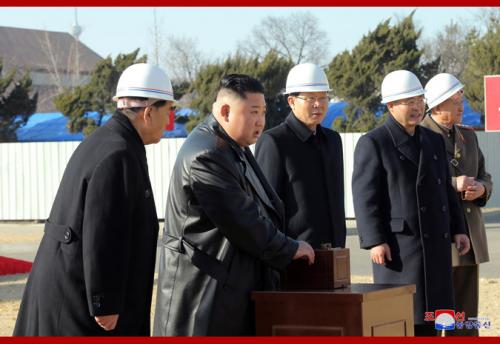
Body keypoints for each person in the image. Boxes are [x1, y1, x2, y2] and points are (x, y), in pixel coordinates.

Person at [13, 63, 175, 336]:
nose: (170, 121)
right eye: (169, 111)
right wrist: (105, 303)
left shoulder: (108, 141)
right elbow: (103, 231)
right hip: (79, 305)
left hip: (69, 291)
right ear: (149, 112)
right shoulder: (118, 153)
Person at [153, 74, 315, 336]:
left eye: (263, 113)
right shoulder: (207, 154)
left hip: (227, 291)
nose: (261, 121)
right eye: (253, 112)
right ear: (226, 111)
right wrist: (290, 248)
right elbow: (244, 222)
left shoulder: (232, 147)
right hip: (202, 297)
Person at [351, 70, 470, 336]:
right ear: (391, 105)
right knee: (402, 318)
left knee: (434, 319)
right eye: (409, 102)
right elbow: (365, 196)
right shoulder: (374, 142)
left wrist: (458, 228)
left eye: (419, 100)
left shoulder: (433, 140)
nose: (417, 107)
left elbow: (446, 190)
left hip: (436, 245)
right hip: (400, 248)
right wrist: (374, 240)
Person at [421, 73, 492, 336]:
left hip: (470, 235)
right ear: (437, 106)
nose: (462, 106)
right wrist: (454, 184)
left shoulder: (468, 137)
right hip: (438, 235)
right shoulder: (420, 134)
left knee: (466, 314)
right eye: (455, 101)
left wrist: (481, 188)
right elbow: (415, 183)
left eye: (461, 99)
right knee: (438, 316)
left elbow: (485, 175)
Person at [255, 63, 346, 249]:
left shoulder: (332, 141)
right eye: (311, 98)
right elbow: (265, 209)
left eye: (323, 97)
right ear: (291, 101)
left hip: (334, 251)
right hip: (294, 254)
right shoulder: (274, 141)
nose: (318, 104)